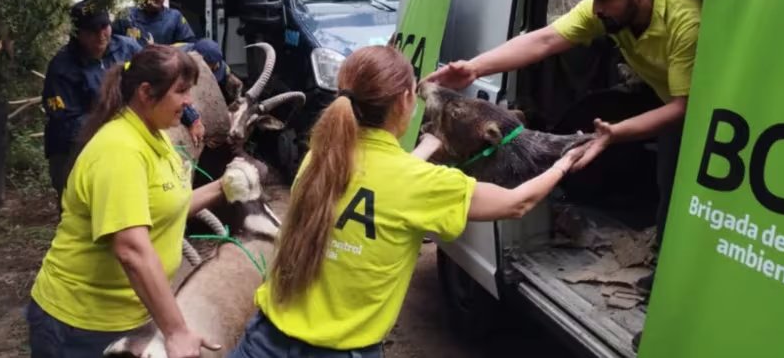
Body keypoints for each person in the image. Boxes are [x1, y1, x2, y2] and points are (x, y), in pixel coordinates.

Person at [228, 46, 587, 358]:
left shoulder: (319, 158)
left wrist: (430, 144)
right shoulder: (421, 185)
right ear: (404, 102)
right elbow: (516, 203)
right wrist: (565, 161)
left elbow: (386, 184)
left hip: (264, 338)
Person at [426, 0, 702, 264]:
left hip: (710, 112)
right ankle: (663, 258)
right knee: (666, 184)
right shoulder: (606, 8)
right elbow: (546, 39)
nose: (596, 9)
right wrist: (474, 68)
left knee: (684, 197)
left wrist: (616, 133)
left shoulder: (686, 21)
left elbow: (685, 107)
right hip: (668, 98)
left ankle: (672, 272)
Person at [27, 44, 260, 358]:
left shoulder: (156, 135)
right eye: (181, 92)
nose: (189, 102)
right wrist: (176, 331)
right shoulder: (119, 150)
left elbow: (163, 207)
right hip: (81, 326)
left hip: (128, 316)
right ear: (146, 92)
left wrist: (225, 187)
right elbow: (131, 249)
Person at [42, 0, 205, 209]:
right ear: (77, 33)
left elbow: (163, 84)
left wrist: (190, 117)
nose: (101, 35)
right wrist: (117, 125)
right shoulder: (62, 68)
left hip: (122, 142)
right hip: (72, 151)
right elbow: (66, 123)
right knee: (83, 209)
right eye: (92, 31)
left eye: (104, 27)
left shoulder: (127, 48)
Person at [114, 0, 197, 46]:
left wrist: (159, 49)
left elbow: (189, 44)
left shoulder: (174, 17)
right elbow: (113, 42)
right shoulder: (129, 16)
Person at [174, 38, 243, 104]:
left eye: (215, 66)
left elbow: (223, 72)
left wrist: (228, 78)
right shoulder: (175, 56)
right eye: (211, 66)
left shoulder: (218, 64)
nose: (215, 68)